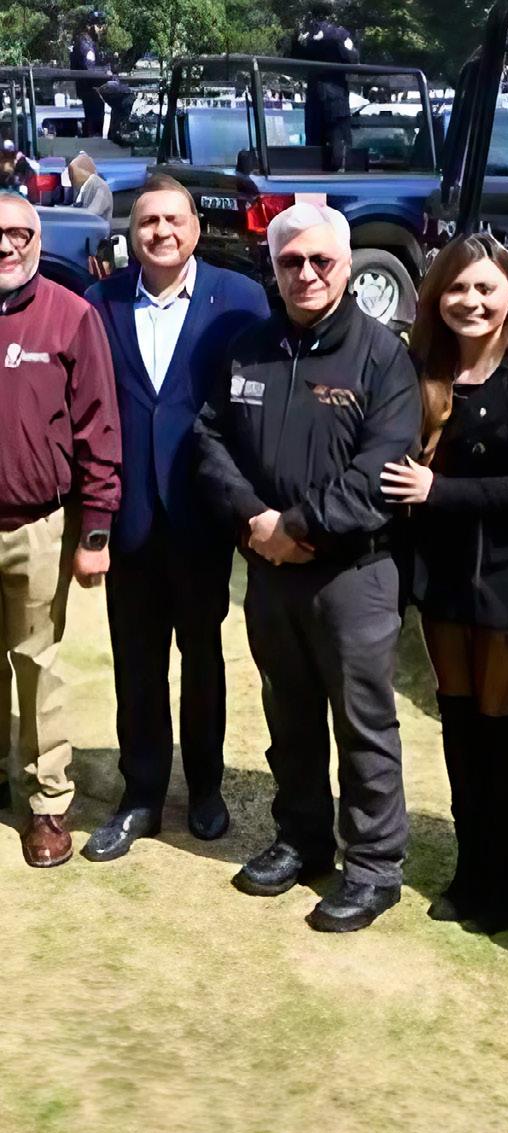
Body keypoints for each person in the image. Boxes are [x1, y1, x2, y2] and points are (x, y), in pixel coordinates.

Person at [193, 202, 421, 932]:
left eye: (321, 260)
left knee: (363, 723)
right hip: (270, 571)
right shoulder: (249, 348)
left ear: (347, 266)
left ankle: (375, 866)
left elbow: (381, 471)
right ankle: (302, 837)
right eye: (291, 262)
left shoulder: (382, 357)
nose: (307, 274)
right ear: (274, 268)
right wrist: (255, 520)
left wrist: (295, 526)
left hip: (353, 574)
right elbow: (209, 440)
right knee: (287, 714)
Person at [380, 234, 508, 934]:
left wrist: (440, 492)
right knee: (459, 723)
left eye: (486, 288)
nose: (471, 301)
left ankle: (507, 875)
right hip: (445, 575)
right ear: (436, 298)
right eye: (457, 288)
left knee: (501, 726)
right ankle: (470, 865)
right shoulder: (421, 371)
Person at [80, 176, 267, 865]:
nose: (160, 231)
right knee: (137, 662)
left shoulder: (240, 299)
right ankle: (142, 794)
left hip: (202, 514)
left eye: (173, 219)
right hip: (129, 514)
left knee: (203, 656)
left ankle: (207, 788)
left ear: (196, 228)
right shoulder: (99, 302)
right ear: (132, 232)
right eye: (147, 221)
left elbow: (254, 409)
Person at [0, 191, 119, 867]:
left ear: (38, 241)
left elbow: (99, 429)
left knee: (36, 664)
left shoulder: (71, 316)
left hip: (39, 525)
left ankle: (48, 799)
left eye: (20, 232)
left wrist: (95, 530)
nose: (6, 245)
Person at [292, 2, 361, 173]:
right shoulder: (340, 35)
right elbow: (353, 59)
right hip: (336, 98)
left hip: (315, 98)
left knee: (314, 147)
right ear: (331, 15)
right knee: (340, 146)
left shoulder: (305, 36)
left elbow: (295, 58)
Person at [70, 9, 135, 144]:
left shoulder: (89, 42)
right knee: (126, 96)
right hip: (92, 88)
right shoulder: (84, 43)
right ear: (89, 26)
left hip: (93, 88)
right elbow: (90, 69)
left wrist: (110, 64)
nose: (102, 29)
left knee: (96, 123)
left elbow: (95, 64)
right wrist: (107, 71)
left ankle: (115, 133)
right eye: (99, 25)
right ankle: (117, 133)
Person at [63, 153, 113, 223]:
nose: (72, 179)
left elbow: (93, 213)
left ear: (84, 171)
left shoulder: (99, 186)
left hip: (96, 227)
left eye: (73, 174)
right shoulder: (86, 186)